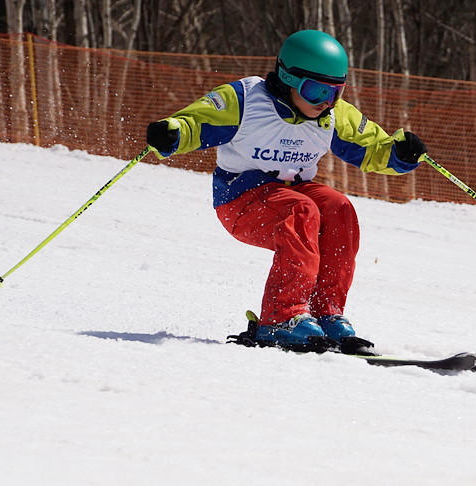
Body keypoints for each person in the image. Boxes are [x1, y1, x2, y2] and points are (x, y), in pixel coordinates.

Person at [146, 29, 427, 348]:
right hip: (240, 199)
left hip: (293, 191)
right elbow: (195, 123)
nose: (324, 103)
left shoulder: (333, 116)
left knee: (338, 208)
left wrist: (399, 153)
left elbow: (373, 147)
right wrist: (172, 133)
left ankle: (324, 313)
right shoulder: (245, 99)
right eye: (315, 91)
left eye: (334, 93)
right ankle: (281, 316)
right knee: (301, 209)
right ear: (288, 78)